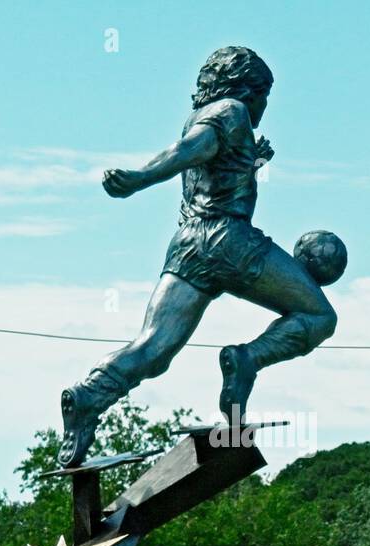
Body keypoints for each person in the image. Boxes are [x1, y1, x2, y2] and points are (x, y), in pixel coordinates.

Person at [57, 46, 338, 467]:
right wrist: (141, 177)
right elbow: (190, 149)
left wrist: (254, 162)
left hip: (189, 244)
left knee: (154, 348)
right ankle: (247, 360)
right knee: (319, 317)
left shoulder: (207, 114)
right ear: (248, 89)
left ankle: (89, 395)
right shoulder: (231, 110)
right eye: (263, 96)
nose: (262, 106)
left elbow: (214, 166)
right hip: (230, 241)